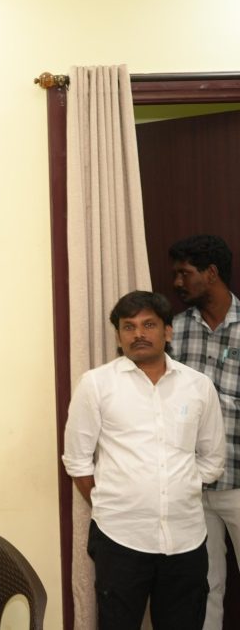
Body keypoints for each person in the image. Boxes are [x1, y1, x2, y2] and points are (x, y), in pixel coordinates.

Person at [63, 290, 225, 630]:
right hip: (120, 539)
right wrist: (114, 502)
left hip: (186, 539)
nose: (138, 334)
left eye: (148, 324)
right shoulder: (96, 384)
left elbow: (212, 459)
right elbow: (77, 461)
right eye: (128, 327)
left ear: (168, 331)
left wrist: (182, 488)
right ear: (119, 336)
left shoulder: (198, 386)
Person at [168, 235, 240, 630]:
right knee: (204, 584)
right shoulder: (174, 331)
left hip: (239, 482)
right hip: (192, 485)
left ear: (211, 273)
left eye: (185, 273)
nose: (177, 282)